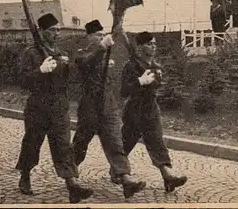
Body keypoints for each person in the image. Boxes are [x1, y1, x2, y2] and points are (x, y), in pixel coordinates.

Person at [15, 13, 93, 203]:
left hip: (59, 106)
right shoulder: (31, 53)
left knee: (64, 146)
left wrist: (69, 67)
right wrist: (40, 71)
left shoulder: (60, 53)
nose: (56, 33)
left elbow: (70, 79)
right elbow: (22, 80)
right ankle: (25, 176)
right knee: (33, 143)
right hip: (38, 106)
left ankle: (72, 186)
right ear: (41, 31)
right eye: (52, 30)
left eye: (58, 29)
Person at [72, 19, 146, 199]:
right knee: (80, 144)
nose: (101, 37)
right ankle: (70, 178)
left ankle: (126, 179)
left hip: (108, 104)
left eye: (101, 34)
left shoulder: (108, 53)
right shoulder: (83, 51)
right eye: (97, 34)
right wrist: (102, 48)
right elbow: (85, 63)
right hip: (90, 104)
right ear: (89, 36)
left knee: (115, 141)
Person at [110, 32, 188, 192]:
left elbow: (156, 87)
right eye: (149, 44)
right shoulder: (130, 66)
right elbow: (124, 91)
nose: (153, 46)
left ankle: (168, 176)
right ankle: (117, 171)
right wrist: (140, 81)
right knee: (126, 143)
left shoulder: (156, 67)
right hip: (134, 110)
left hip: (151, 108)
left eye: (154, 43)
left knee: (157, 141)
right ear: (139, 46)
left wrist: (154, 78)